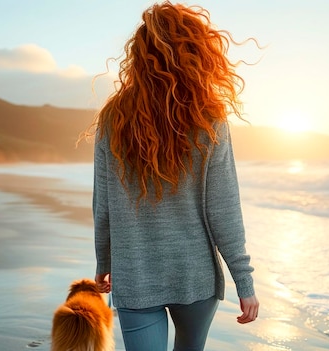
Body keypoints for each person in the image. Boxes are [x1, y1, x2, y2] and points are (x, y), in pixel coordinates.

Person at [91, 2, 259, 350]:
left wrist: (104, 262)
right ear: (198, 54)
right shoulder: (209, 120)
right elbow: (224, 210)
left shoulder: (113, 119)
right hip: (194, 277)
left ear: (137, 57)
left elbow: (103, 204)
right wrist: (244, 282)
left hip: (135, 275)